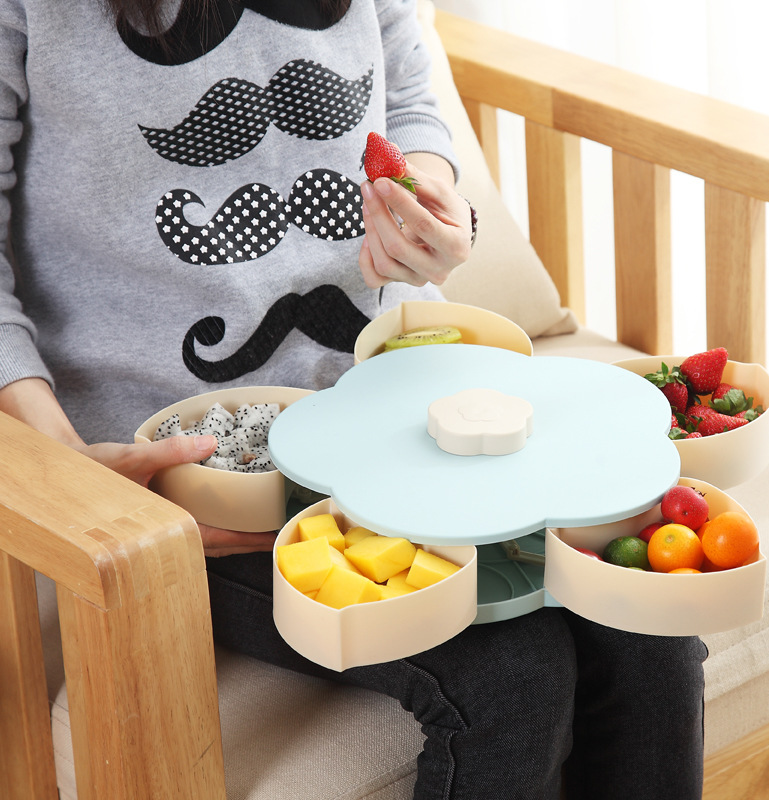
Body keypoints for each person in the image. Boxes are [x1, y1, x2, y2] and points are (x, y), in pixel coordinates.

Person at [0, 1, 706, 797]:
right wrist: (68, 468)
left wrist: (432, 203)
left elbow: (408, 105)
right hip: (201, 477)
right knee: (517, 675)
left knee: (651, 624)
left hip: (402, 413)